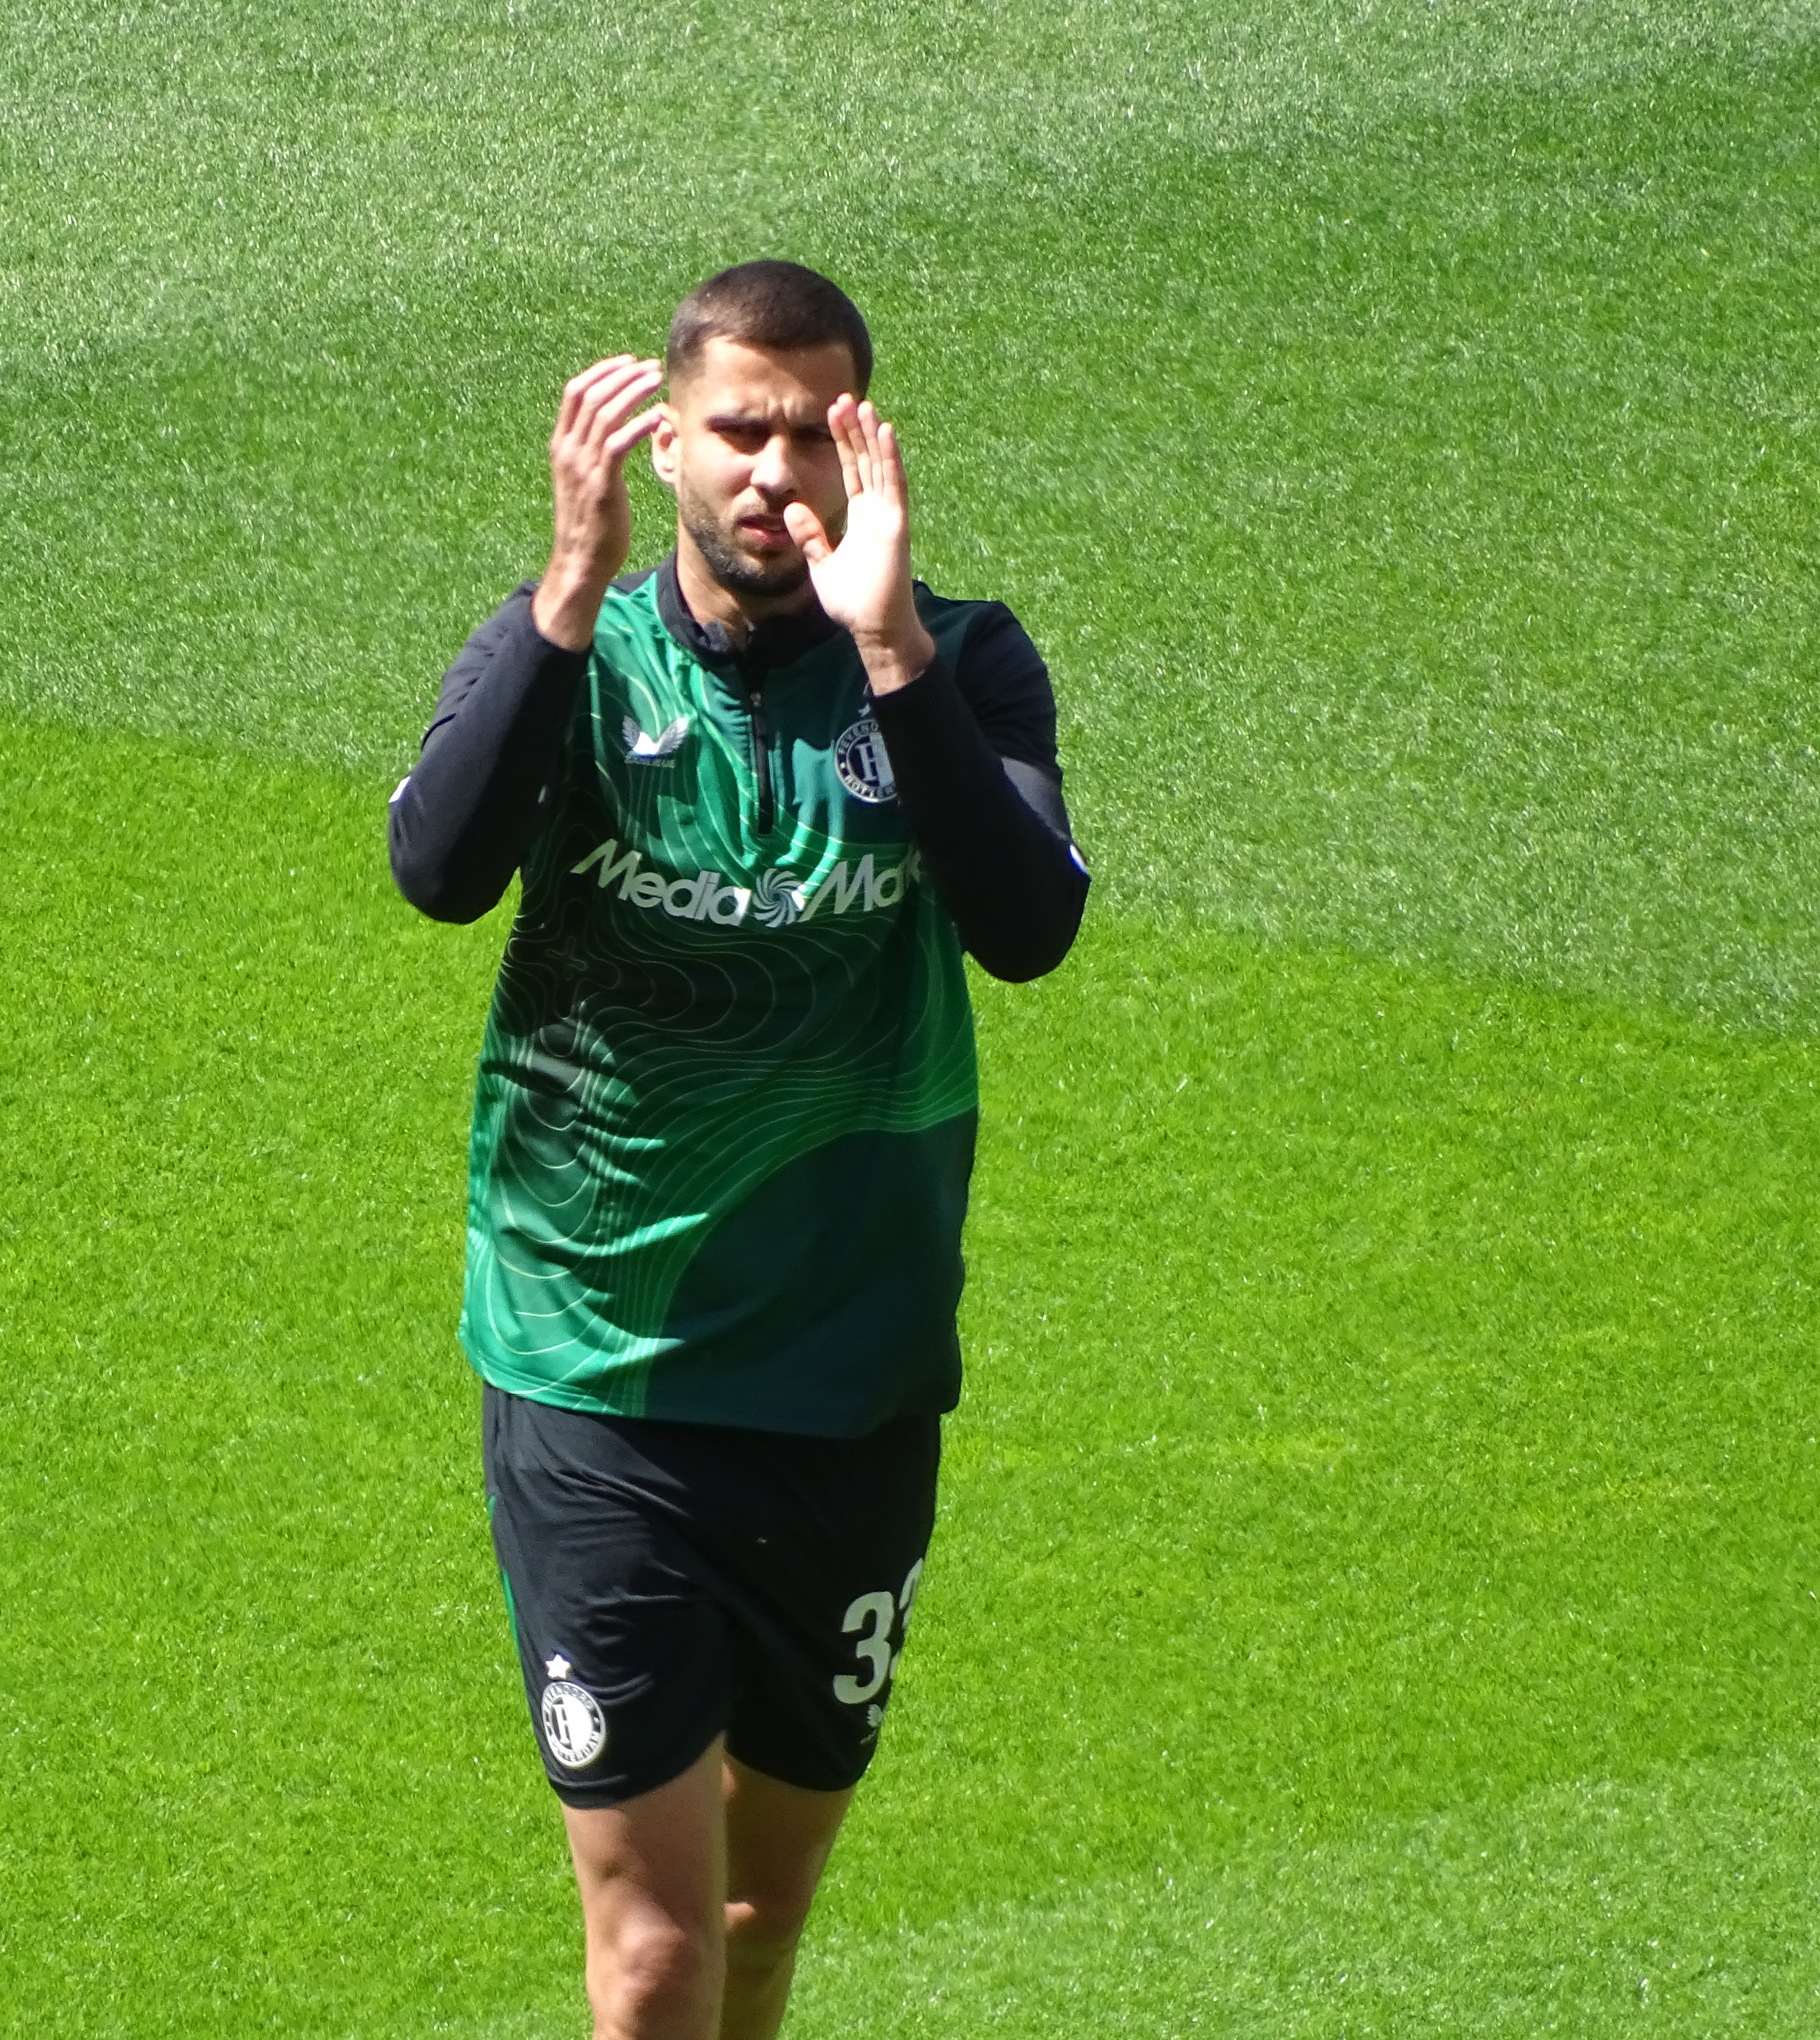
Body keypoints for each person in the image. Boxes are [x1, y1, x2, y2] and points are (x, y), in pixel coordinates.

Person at [389, 260, 1088, 2040]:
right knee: (654, 1954)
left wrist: (893, 650)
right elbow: (441, 873)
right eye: (737, 432)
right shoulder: (574, 652)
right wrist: (561, 591)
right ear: (665, 445)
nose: (775, 472)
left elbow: (1023, 929)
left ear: (868, 447)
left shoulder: (965, 662)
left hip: (851, 1390)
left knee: (763, 1922)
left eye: (813, 432)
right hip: (599, 1373)